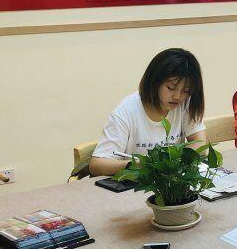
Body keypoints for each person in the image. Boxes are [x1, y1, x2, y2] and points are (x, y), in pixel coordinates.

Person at [89, 48, 207, 177]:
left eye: (186, 90)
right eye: (171, 88)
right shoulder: (126, 111)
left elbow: (200, 144)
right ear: (154, 82)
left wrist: (173, 164)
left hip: (170, 183)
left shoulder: (185, 104)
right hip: (135, 184)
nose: (178, 96)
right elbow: (97, 165)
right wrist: (136, 164)